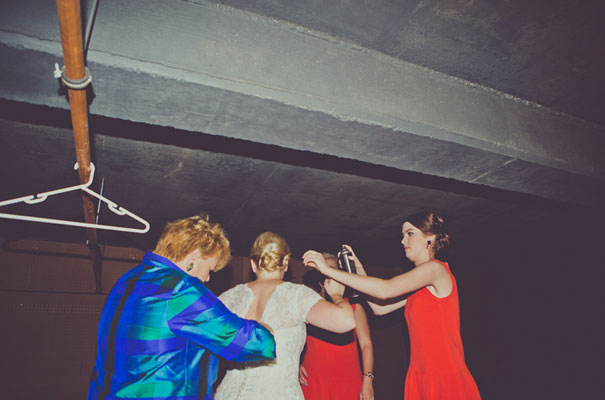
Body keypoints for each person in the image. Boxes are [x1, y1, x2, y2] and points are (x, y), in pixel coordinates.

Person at [88, 213, 276, 400]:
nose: (207, 278)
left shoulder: (126, 279)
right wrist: (266, 331)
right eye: (209, 269)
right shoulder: (180, 289)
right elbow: (246, 341)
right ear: (194, 256)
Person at [303, 211, 481, 400]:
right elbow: (380, 308)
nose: (403, 241)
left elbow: (385, 290)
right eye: (403, 235)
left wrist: (327, 270)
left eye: (410, 234)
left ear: (430, 238)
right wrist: (359, 271)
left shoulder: (435, 269)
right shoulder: (419, 284)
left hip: (443, 373)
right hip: (420, 373)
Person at [215, 232, 356, 399]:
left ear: (253, 264)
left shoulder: (229, 297)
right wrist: (337, 295)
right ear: (286, 263)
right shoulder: (297, 295)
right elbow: (346, 321)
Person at [299, 252, 375, 400]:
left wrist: (368, 380)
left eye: (331, 269)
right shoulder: (309, 305)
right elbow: (292, 336)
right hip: (314, 382)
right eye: (323, 269)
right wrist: (296, 364)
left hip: (347, 382)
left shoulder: (354, 307)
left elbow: (366, 344)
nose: (327, 273)